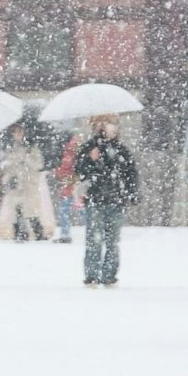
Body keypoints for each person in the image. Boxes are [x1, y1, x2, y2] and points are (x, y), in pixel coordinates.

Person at [73, 114, 140, 287]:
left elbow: (131, 174)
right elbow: (80, 172)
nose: (113, 128)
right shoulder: (89, 148)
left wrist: (131, 193)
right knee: (94, 240)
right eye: (109, 125)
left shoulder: (121, 150)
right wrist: (90, 160)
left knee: (112, 241)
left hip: (116, 200)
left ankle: (109, 275)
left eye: (114, 125)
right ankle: (92, 275)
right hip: (95, 199)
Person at [0, 122, 56, 242]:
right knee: (16, 211)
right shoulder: (12, 149)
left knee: (32, 211)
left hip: (29, 184)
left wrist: (27, 158)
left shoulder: (32, 148)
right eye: (15, 133)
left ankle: (38, 234)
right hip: (16, 184)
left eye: (19, 132)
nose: (17, 135)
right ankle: (20, 233)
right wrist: (7, 170)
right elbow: (9, 166)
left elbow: (39, 164)